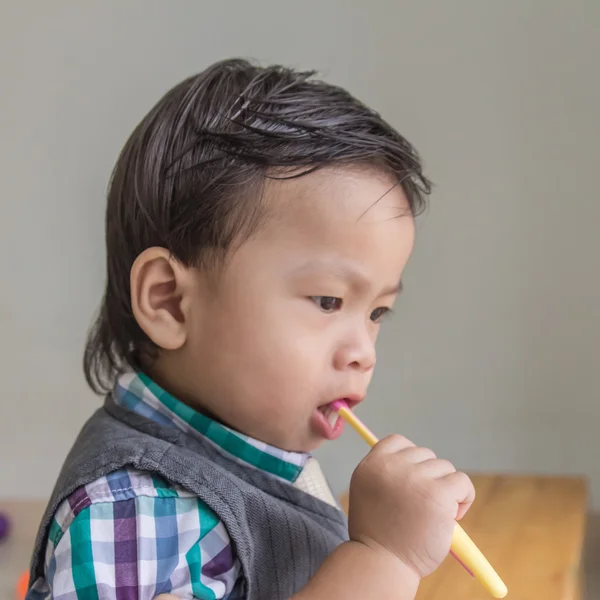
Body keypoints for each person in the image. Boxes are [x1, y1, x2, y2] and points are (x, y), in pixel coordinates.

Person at [28, 58, 475, 600]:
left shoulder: (246, 453)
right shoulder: (138, 509)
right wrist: (383, 558)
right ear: (170, 301)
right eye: (328, 300)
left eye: (377, 313)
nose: (363, 352)